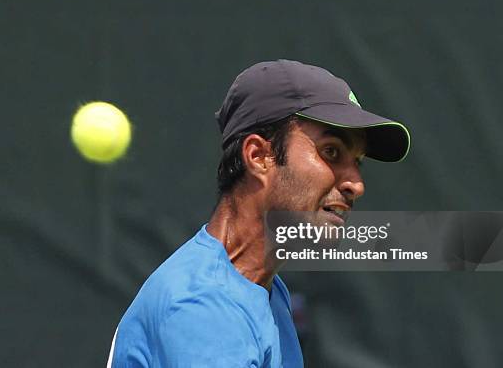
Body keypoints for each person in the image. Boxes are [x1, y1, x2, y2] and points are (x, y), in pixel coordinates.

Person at [107, 59, 410, 367]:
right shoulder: (202, 307)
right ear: (258, 156)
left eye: (357, 162)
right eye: (331, 151)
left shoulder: (265, 289)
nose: (356, 184)